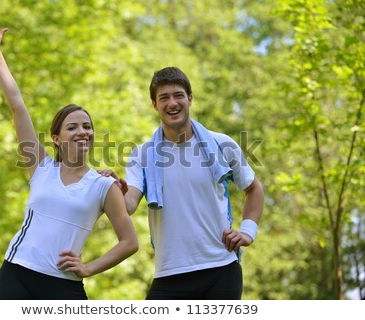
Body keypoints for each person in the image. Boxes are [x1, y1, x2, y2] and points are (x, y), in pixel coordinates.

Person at [0, 28, 138, 300]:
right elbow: (18, 105)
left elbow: (130, 243)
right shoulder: (40, 167)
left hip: (64, 286)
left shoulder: (104, 185)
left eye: (87, 126)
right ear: (57, 138)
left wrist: (88, 268)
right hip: (17, 274)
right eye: (73, 127)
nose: (82, 131)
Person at [100, 66, 264, 300]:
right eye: (163, 97)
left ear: (190, 98)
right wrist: (114, 190)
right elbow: (128, 205)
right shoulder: (142, 155)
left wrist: (248, 231)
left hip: (221, 269)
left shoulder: (222, 144)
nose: (172, 103)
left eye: (178, 95)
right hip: (169, 274)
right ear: (154, 105)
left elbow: (254, 188)